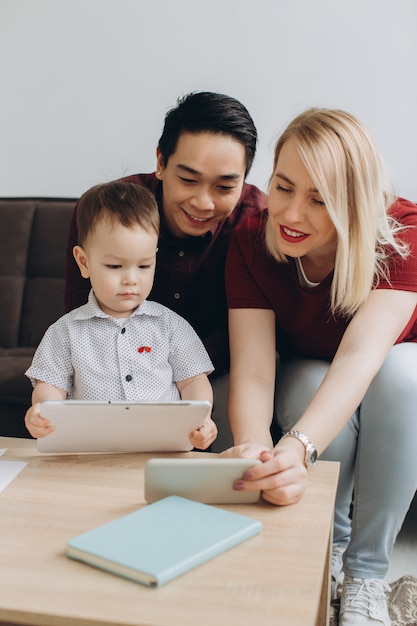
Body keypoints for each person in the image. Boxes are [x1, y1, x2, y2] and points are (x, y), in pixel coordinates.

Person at [223, 108, 417, 625]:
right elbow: (255, 366)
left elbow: (362, 355)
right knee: (310, 383)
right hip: (308, 367)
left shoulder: (402, 233)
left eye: (320, 199)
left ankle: (367, 573)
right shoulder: (249, 237)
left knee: (402, 376)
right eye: (283, 187)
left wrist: (298, 446)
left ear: (354, 203)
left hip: (391, 372)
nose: (291, 214)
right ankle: (324, 549)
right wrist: (255, 449)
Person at [64, 91, 267, 452]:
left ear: (245, 180)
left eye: (224, 187)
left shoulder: (255, 223)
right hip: (118, 379)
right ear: (161, 162)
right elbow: (81, 320)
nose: (203, 202)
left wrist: (183, 389)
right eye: (188, 180)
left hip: (217, 377)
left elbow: (252, 349)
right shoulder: (107, 215)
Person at [25, 181, 217, 451]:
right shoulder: (66, 331)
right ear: (84, 262)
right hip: (91, 448)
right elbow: (51, 385)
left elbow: (194, 380)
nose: (131, 280)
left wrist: (202, 417)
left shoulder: (170, 326)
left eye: (144, 265)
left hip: (163, 448)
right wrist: (42, 411)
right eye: (115, 266)